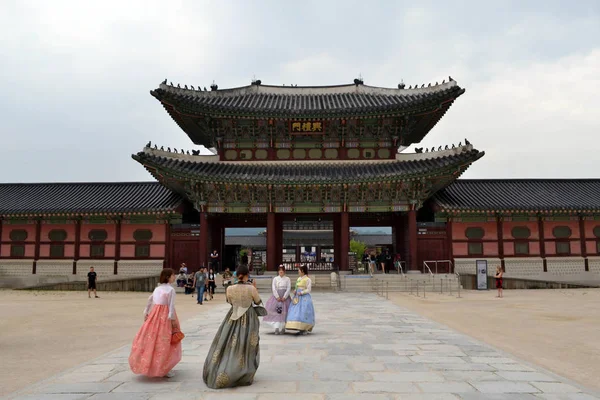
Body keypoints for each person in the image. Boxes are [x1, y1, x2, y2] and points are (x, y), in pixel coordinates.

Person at [203, 265, 263, 389]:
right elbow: (258, 301)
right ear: (247, 275)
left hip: (233, 316)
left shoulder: (229, 288)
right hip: (248, 318)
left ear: (236, 275)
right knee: (246, 345)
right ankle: (244, 370)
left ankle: (225, 367)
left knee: (227, 342)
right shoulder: (251, 288)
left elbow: (229, 301)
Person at [129, 268, 182, 378]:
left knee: (152, 339)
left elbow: (150, 300)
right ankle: (164, 367)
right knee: (165, 341)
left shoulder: (157, 288)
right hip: (166, 315)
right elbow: (171, 306)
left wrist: (146, 312)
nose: (174, 277)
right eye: (173, 275)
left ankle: (151, 364)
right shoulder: (171, 290)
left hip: (155, 314)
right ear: (168, 277)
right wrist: (172, 320)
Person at [285, 265, 315, 335]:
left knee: (304, 311)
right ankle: (298, 326)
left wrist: (301, 292)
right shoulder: (298, 279)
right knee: (296, 311)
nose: (298, 271)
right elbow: (296, 286)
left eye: (299, 270)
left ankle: (305, 328)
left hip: (304, 297)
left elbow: (309, 289)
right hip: (297, 297)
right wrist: (295, 290)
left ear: (302, 271)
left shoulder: (308, 279)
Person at [263, 265, 291, 335]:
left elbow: (288, 288)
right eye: (280, 270)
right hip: (276, 298)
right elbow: (274, 288)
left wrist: (285, 296)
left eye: (282, 270)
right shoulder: (275, 279)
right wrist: (277, 296)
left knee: (285, 313)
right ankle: (276, 328)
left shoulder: (287, 279)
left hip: (285, 298)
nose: (281, 271)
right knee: (276, 313)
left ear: (284, 271)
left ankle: (283, 328)